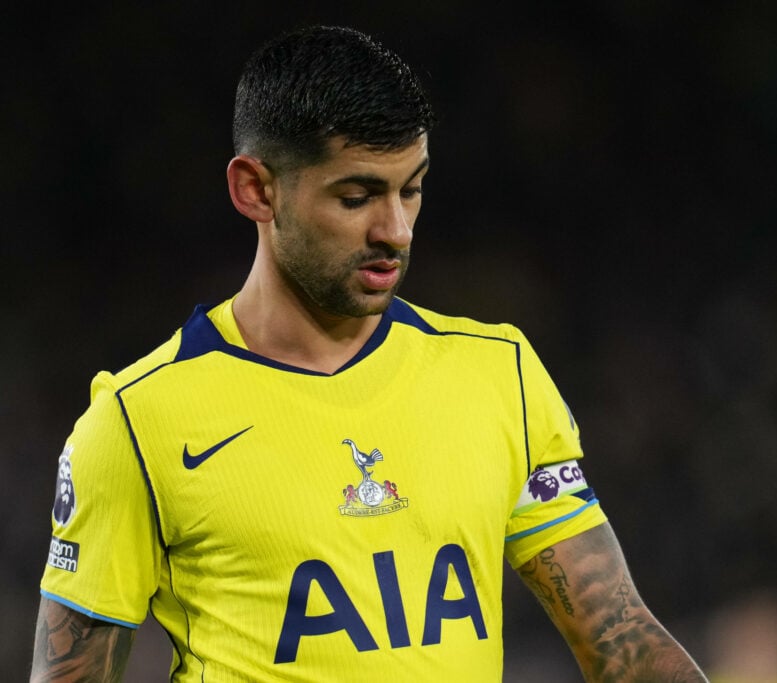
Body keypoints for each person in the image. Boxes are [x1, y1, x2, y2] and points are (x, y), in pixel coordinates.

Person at [31, 25, 707, 682]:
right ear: (256, 189)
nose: (396, 230)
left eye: (410, 188)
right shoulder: (135, 424)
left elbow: (622, 642)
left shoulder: (499, 374)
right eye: (356, 197)